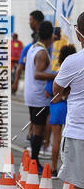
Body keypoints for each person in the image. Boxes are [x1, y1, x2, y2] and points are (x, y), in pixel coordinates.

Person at [54, 13, 84, 189]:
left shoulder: (73, 61)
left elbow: (57, 90)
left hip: (79, 130)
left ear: (78, 32)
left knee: (80, 185)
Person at [24, 19, 55, 173]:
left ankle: (33, 160)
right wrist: (55, 75)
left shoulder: (33, 47)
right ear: (50, 36)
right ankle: (34, 162)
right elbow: (38, 74)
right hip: (39, 97)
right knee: (38, 130)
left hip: (31, 94)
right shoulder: (42, 53)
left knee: (36, 128)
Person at [47, 44, 75, 177]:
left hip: (57, 107)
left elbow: (49, 93)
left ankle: (54, 169)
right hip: (70, 106)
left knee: (56, 139)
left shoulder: (58, 72)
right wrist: (65, 95)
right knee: (70, 140)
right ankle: (69, 169)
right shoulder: (76, 70)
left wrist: (58, 96)